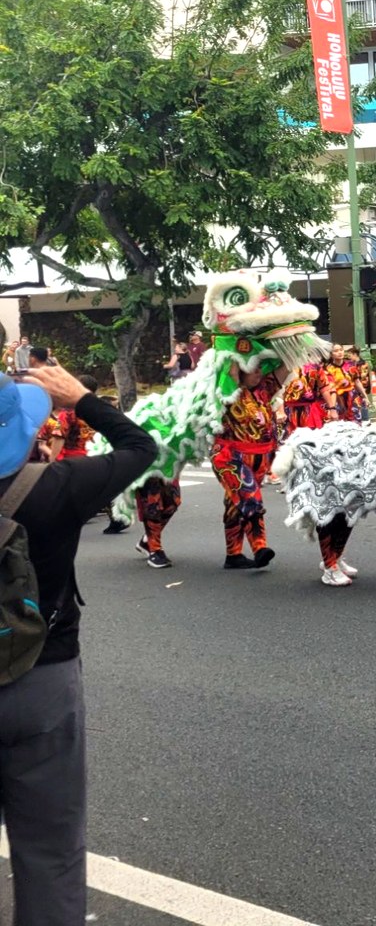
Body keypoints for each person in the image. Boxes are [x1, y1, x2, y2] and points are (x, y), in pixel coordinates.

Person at [0, 363, 155, 926]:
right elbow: (141, 448)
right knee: (51, 852)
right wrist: (84, 399)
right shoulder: (58, 487)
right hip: (44, 679)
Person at [212, 356, 282, 569]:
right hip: (231, 456)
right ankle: (259, 547)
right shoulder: (230, 391)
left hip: (260, 457)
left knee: (235, 504)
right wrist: (236, 342)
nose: (258, 372)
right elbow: (231, 368)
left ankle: (233, 555)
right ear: (241, 372)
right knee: (250, 497)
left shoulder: (264, 389)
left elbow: (285, 368)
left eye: (260, 367)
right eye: (252, 368)